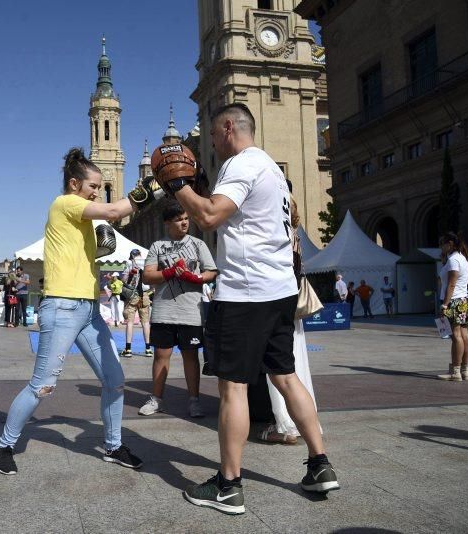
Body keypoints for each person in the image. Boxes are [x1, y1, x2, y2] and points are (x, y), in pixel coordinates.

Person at [169, 103, 338, 514]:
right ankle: (320, 464)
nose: (210, 141)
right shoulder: (270, 168)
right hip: (278, 289)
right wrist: (202, 184)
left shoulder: (243, 163)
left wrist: (175, 184)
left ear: (229, 127)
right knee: (285, 375)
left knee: (233, 387)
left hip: (246, 293)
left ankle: (228, 484)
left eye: (212, 134)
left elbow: (209, 216)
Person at [0, 147, 159, 476]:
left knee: (114, 380)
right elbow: (114, 209)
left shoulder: (82, 220)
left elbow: (90, 250)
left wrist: (101, 247)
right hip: (62, 307)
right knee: (42, 386)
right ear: (74, 184)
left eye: (98, 187)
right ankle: (4, 445)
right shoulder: (64, 203)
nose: (97, 192)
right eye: (93, 186)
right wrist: (153, 186)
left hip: (88, 310)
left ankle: (112, 446)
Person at [139, 200, 217, 418]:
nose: (184, 223)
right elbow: (147, 275)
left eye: (186, 219)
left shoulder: (198, 244)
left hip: (190, 311)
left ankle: (194, 400)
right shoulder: (157, 246)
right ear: (167, 223)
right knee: (160, 356)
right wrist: (170, 272)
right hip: (163, 311)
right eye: (178, 220)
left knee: (190, 357)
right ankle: (156, 399)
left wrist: (196, 277)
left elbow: (212, 271)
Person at [260, 196, 322, 445]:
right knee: (297, 367)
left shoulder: (274, 234)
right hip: (291, 305)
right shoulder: (294, 233)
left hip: (274, 303)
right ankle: (307, 423)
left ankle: (285, 425)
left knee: (278, 369)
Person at [437, 232, 468, 381]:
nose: (441, 247)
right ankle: (465, 370)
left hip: (453, 301)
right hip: (464, 300)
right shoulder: (465, 258)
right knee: (465, 336)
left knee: (456, 337)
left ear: (450, 243)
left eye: (442, 244)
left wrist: (445, 304)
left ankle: (455, 372)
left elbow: (451, 284)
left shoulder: (453, 259)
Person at [120, 249, 153, 357]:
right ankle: (148, 349)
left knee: (130, 322)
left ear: (131, 256)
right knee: (145, 322)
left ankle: (128, 349)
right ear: (140, 254)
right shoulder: (147, 262)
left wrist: (128, 275)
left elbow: (124, 280)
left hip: (132, 296)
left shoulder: (130, 263)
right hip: (145, 295)